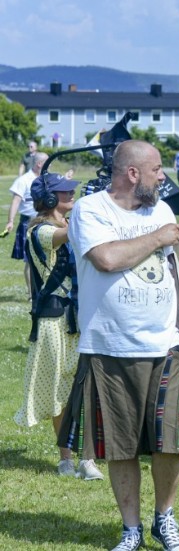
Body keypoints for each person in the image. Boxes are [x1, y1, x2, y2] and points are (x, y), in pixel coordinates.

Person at [57, 140, 179, 551]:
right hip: (109, 346)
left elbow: (173, 271)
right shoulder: (91, 209)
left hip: (163, 345)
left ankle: (164, 519)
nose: (163, 175)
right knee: (120, 444)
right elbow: (107, 259)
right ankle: (130, 528)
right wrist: (156, 237)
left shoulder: (162, 210)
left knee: (171, 441)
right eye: (156, 169)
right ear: (132, 173)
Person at [14, 172, 103, 481]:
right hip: (54, 319)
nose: (71, 196)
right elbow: (70, 236)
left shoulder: (65, 224)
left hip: (79, 316)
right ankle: (66, 458)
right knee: (58, 393)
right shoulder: (39, 231)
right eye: (66, 193)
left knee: (87, 391)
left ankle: (87, 459)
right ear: (50, 200)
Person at [8, 152, 50, 291]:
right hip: (28, 223)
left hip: (46, 221)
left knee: (47, 258)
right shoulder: (24, 180)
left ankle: (44, 290)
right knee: (30, 260)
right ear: (39, 164)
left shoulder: (47, 178)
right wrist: (11, 221)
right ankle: (33, 294)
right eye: (48, 161)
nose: (50, 165)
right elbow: (16, 201)